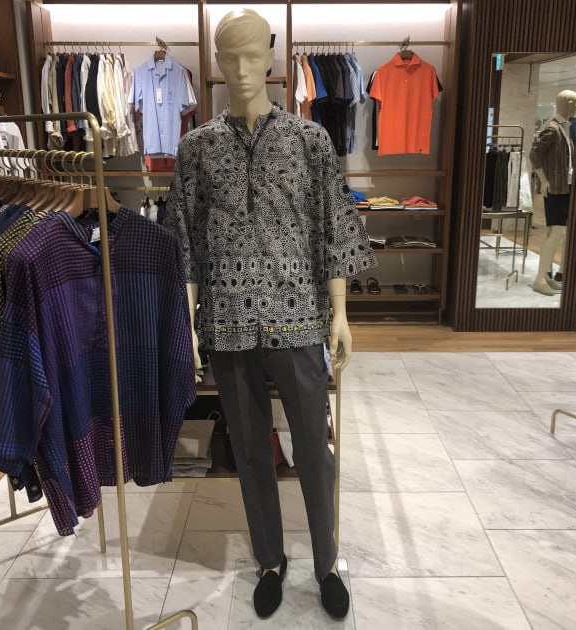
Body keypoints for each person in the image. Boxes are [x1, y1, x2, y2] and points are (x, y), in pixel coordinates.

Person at [164, 8, 377, 620]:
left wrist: (340, 314)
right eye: (230, 56)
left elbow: (333, 227)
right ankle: (269, 561)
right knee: (252, 449)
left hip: (299, 317)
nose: (241, 69)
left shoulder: (310, 140)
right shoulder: (197, 148)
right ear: (216, 61)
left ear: (272, 58)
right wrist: (186, 322)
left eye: (253, 55)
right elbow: (185, 243)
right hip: (227, 322)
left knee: (314, 446)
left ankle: (328, 562)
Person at [529, 89, 576, 296]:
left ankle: (545, 277)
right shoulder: (552, 128)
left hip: (563, 186)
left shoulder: (563, 128)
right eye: (574, 103)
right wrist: (544, 180)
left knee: (555, 231)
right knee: (556, 231)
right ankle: (540, 279)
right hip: (556, 188)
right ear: (566, 104)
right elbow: (534, 154)